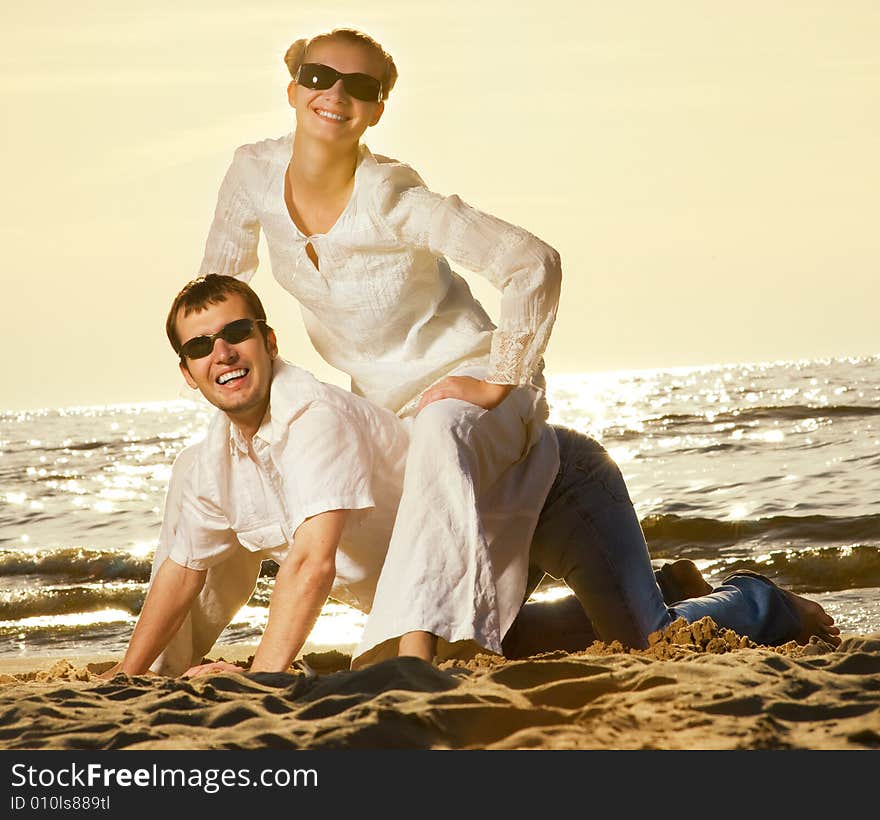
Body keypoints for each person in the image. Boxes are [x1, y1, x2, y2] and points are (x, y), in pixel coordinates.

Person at [104, 276, 838, 680]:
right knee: (512, 649)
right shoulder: (210, 461)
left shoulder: (312, 420)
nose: (222, 353)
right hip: (468, 563)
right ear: (187, 372)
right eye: (201, 346)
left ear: (268, 340)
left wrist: (264, 685)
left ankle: (761, 599)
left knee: (651, 642)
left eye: (236, 333)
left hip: (547, 490)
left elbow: (311, 563)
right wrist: (125, 684)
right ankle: (662, 579)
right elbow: (178, 572)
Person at [197, 27, 563, 663]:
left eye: (359, 86)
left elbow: (533, 262)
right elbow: (222, 288)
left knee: (441, 422)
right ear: (292, 87)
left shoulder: (391, 199)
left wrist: (503, 379)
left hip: (469, 396)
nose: (334, 93)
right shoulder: (253, 172)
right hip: (382, 409)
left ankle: (414, 650)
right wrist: (242, 390)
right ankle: (168, 657)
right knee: (238, 459)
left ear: (375, 110)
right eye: (318, 77)